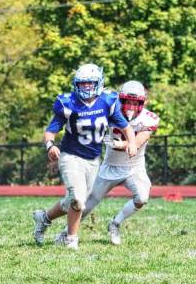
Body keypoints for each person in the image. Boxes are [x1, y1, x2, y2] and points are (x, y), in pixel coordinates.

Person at [32, 63, 137, 249]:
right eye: (82, 84)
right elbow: (50, 130)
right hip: (70, 157)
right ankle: (71, 240)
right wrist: (50, 145)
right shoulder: (68, 103)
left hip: (93, 160)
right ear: (76, 84)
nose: (86, 87)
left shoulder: (108, 101)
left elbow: (125, 127)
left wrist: (132, 143)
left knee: (71, 201)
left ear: (99, 83)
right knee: (78, 199)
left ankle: (44, 218)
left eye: (90, 83)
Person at [54, 80, 159, 245]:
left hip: (134, 168)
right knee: (86, 205)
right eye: (127, 101)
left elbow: (137, 144)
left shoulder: (148, 119)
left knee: (142, 198)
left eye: (135, 102)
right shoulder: (109, 112)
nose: (131, 105)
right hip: (109, 167)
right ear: (120, 100)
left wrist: (119, 144)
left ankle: (115, 223)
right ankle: (66, 233)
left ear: (142, 103)